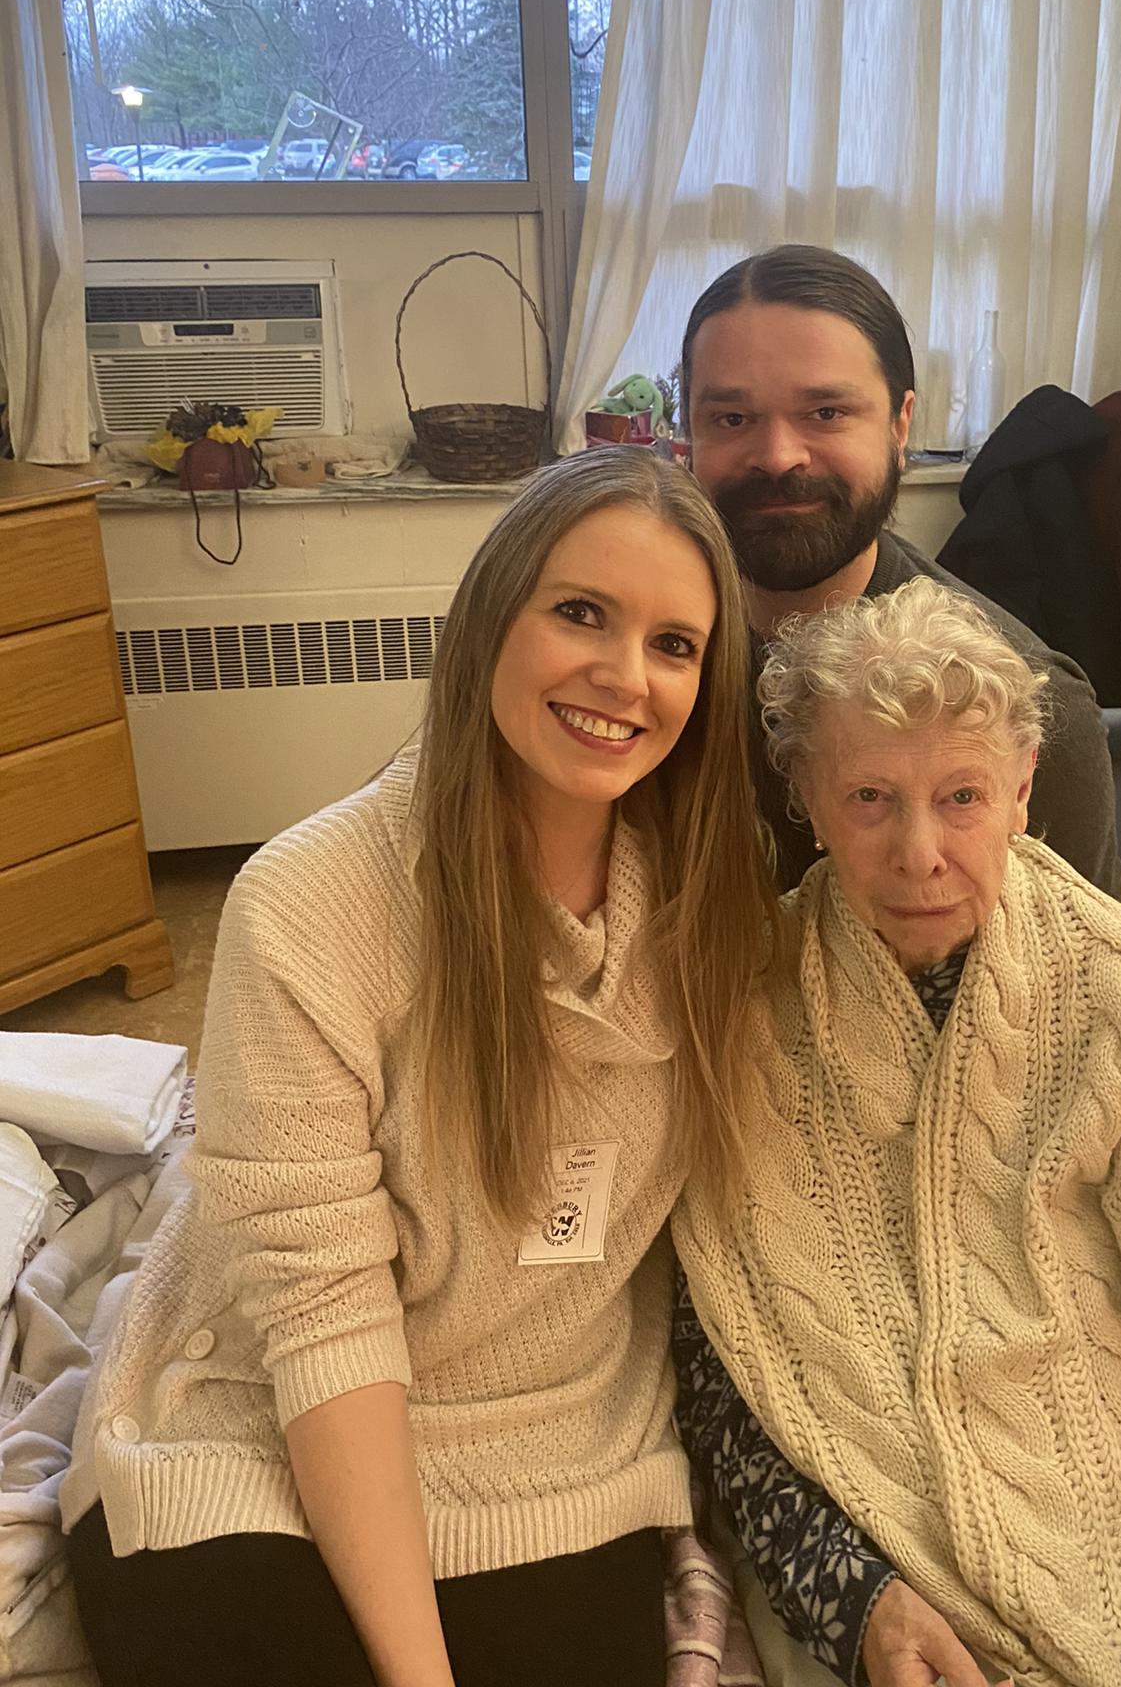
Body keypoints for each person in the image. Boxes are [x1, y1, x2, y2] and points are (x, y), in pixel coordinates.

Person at [62, 447, 779, 1687]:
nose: (625, 674)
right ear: (490, 617)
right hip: (259, 1421)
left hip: (552, 1445)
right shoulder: (308, 901)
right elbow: (319, 1311)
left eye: (674, 644)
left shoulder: (714, 909)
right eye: (581, 612)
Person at [673, 577, 1121, 1687]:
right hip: (881, 1584)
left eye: (963, 795)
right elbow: (718, 1372)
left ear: (1024, 789)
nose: (920, 852)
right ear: (807, 800)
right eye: (871, 797)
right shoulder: (734, 1015)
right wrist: (851, 1596)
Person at [681, 243, 1121, 897]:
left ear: (900, 425)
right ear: (688, 435)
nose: (777, 455)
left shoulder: (1025, 706)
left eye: (826, 413)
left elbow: (1082, 954)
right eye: (732, 418)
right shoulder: (641, 668)